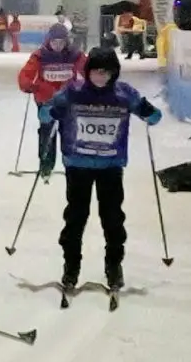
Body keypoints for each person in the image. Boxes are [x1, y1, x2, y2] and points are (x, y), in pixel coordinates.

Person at [40, 47, 164, 297]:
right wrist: (51, 110)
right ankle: (71, 266)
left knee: (113, 219)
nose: (100, 77)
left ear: (114, 73)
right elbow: (45, 113)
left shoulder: (123, 93)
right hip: (78, 165)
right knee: (75, 218)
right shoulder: (74, 91)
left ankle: (114, 266)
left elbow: (153, 116)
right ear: (88, 71)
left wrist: (149, 112)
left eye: (105, 72)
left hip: (110, 166)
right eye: (96, 71)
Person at [17, 21, 85, 175]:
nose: (58, 46)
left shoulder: (75, 55)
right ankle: (46, 164)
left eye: (61, 42)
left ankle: (71, 164)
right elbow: (26, 74)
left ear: (67, 42)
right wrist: (28, 85)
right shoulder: (40, 56)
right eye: (55, 42)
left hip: (68, 100)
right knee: (46, 131)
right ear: (49, 41)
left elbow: (88, 70)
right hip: (46, 100)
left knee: (69, 131)